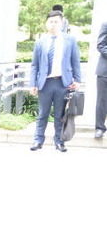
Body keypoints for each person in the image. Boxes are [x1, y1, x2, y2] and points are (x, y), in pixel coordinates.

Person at [29, 10, 82, 152]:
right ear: (47, 23)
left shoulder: (69, 40)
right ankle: (38, 140)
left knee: (60, 115)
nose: (53, 24)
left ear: (61, 23)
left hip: (62, 83)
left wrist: (77, 80)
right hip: (45, 84)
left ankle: (59, 141)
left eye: (56, 21)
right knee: (42, 114)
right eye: (51, 21)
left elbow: (75, 61)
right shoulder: (40, 42)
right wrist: (32, 84)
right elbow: (35, 65)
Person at [95, 21, 107, 139]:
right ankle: (99, 128)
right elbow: (100, 45)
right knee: (102, 101)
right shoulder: (105, 24)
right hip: (105, 71)